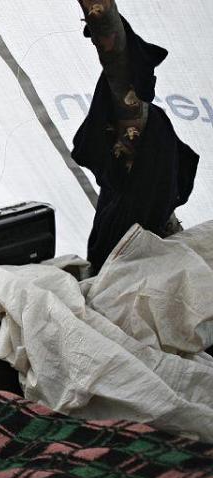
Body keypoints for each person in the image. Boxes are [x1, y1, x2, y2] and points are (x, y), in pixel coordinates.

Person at [72, 0, 198, 274]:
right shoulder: (127, 108)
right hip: (127, 238)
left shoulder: (150, 123)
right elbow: (115, 57)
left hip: (152, 232)